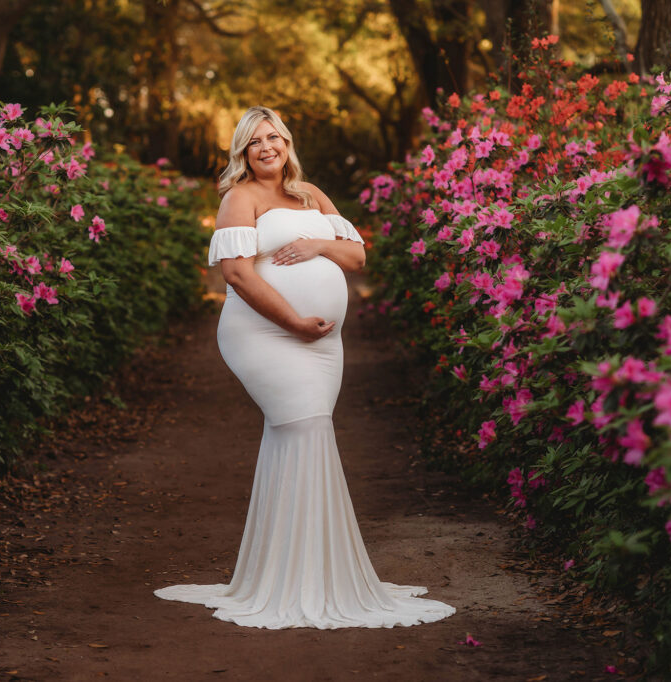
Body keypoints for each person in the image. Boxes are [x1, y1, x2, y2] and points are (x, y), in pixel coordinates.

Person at [154, 106, 455, 628]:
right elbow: (238, 277)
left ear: (287, 142)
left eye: (274, 137)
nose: (267, 147)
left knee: (302, 436)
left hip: (321, 344)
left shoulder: (311, 195)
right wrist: (293, 320)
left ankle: (297, 570)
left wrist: (317, 244)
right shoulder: (239, 198)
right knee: (305, 427)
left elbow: (357, 258)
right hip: (264, 334)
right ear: (243, 152)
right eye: (255, 141)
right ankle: (295, 578)